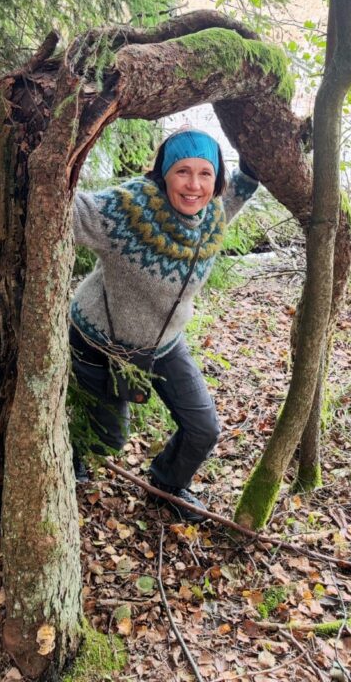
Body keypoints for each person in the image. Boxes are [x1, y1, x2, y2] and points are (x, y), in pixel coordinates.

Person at [70, 128, 259, 521]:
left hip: (164, 343)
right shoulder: (126, 209)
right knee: (108, 440)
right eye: (182, 172)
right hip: (98, 341)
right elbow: (68, 210)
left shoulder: (214, 213)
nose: (194, 185)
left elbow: (243, 186)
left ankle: (167, 486)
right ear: (164, 173)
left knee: (203, 428)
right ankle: (71, 457)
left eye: (205, 173)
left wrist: (266, 155)